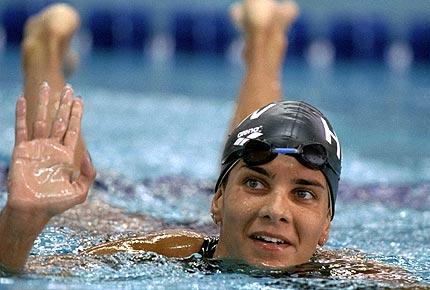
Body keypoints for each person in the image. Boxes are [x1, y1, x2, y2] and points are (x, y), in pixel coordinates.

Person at [0, 0, 342, 273]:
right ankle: (42, 49)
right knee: (79, 204)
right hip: (168, 230)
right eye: (255, 184)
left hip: (219, 228)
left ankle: (264, 39)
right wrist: (22, 219)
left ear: (327, 224)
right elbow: (28, 273)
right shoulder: (164, 251)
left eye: (303, 193)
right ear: (217, 198)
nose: (276, 210)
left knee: (255, 151)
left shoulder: (344, 273)